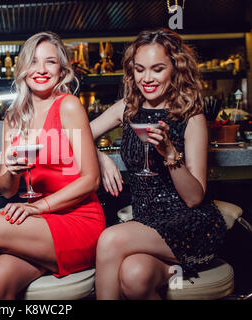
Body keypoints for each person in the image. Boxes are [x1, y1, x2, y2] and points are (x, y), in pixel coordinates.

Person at [0, 31, 106, 300]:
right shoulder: (13, 118)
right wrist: (12, 172)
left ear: (61, 70)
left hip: (78, 221)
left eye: (50, 62)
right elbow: (6, 190)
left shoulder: (69, 105)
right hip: (38, 225)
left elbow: (91, 180)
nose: (41, 69)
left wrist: (35, 207)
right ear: (22, 69)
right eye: (33, 62)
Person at [91, 28, 227, 300]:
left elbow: (194, 198)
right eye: (140, 69)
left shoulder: (191, 117)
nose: (147, 78)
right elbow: (76, 135)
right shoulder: (127, 108)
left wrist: (169, 154)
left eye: (157, 69)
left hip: (190, 226)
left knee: (109, 239)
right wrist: (101, 158)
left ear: (175, 69)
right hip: (145, 225)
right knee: (134, 275)